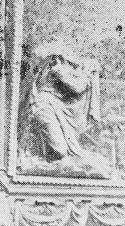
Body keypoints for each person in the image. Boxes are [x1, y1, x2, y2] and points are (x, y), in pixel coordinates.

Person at [23, 44, 114, 177]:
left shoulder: (63, 67)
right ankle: (42, 164)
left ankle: (54, 163)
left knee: (63, 152)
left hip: (53, 107)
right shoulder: (55, 65)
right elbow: (77, 87)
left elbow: (76, 86)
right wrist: (87, 73)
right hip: (43, 106)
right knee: (60, 150)